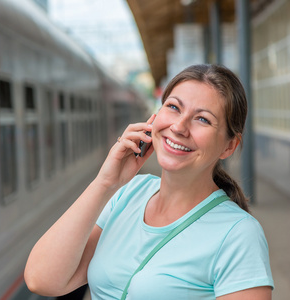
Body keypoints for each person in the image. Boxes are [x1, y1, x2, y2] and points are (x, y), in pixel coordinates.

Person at [24, 64, 274, 299]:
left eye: (203, 119)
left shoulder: (239, 234)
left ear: (229, 146)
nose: (179, 127)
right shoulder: (128, 194)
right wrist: (104, 183)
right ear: (155, 117)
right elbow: (42, 279)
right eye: (174, 107)